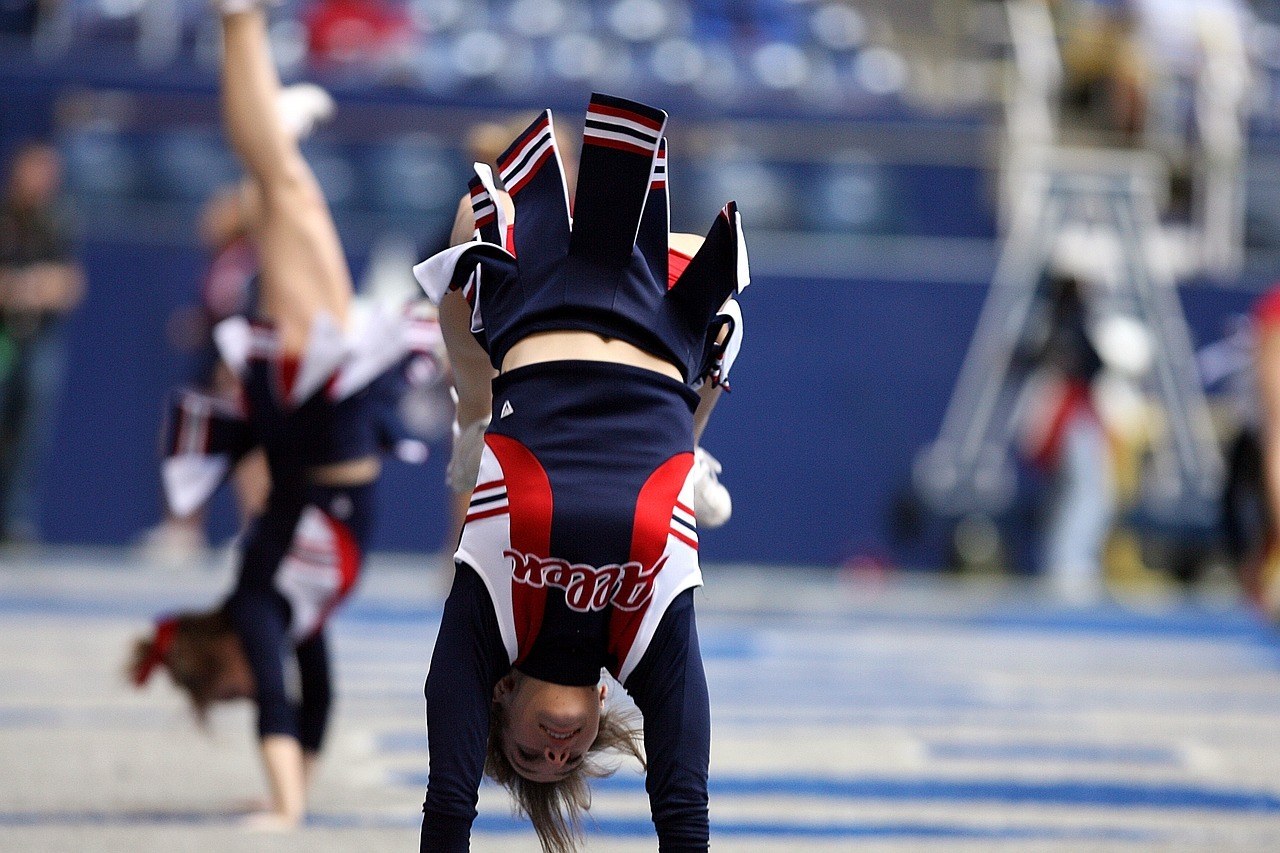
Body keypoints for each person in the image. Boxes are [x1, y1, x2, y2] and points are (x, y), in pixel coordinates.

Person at [414, 94, 749, 852]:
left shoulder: (490, 618)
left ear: (499, 696)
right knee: (720, 275)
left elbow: (446, 803)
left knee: (468, 252)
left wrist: (476, 421)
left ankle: (479, 421)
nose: (555, 748)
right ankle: (688, 448)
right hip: (662, 324)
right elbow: (684, 806)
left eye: (529, 753)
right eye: (570, 757)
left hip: (530, 313)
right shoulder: (645, 637)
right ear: (602, 703)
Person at [128, 3, 435, 830]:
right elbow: (316, 701)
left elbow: (276, 700)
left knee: (278, 186)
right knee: (279, 191)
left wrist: (284, 807)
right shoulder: (292, 612)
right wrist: (291, 782)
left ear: (219, 651)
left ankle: (240, 25)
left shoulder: (262, 604)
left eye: (226, 685)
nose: (248, 688)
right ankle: (279, 113)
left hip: (317, 406)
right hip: (325, 418)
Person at [0, 141, 85, 545]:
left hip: (39, 338)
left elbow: (68, 285)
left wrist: (26, 287)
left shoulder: (58, 220)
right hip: (3, 336)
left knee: (31, 429)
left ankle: (15, 520)